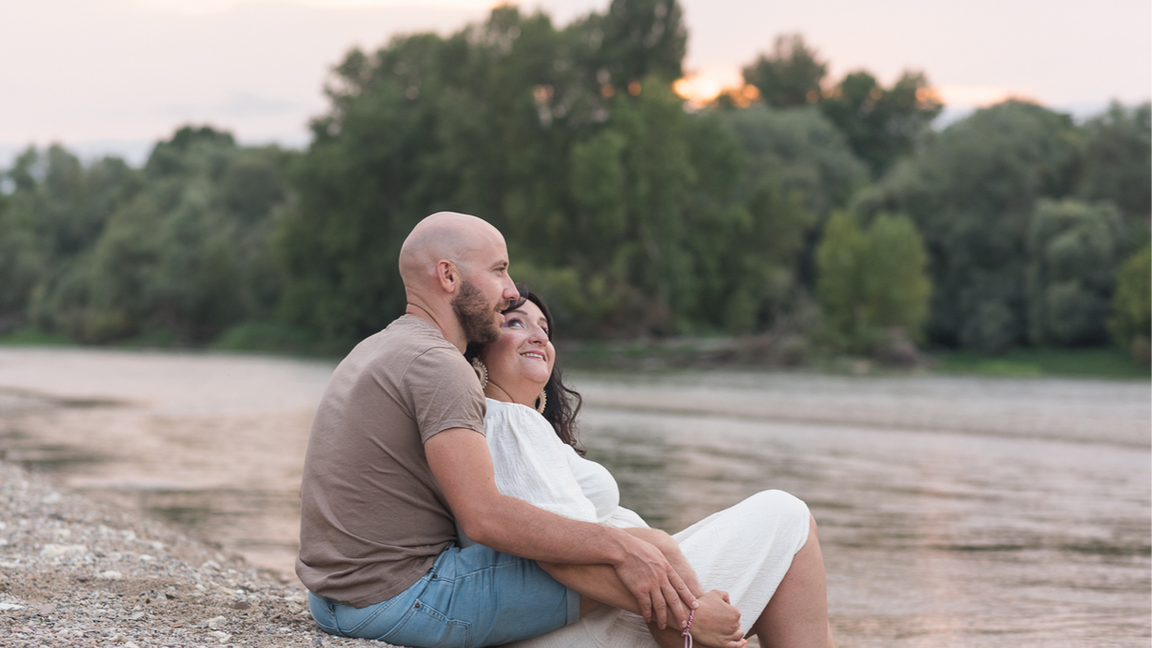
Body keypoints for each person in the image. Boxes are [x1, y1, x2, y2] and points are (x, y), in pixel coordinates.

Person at [297, 212, 698, 646]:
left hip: (331, 597)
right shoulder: (439, 365)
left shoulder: (375, 347)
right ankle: (699, 622)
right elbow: (485, 517)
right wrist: (623, 547)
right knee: (651, 553)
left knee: (638, 553)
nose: (509, 292)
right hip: (399, 601)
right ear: (448, 276)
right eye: (499, 270)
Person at [467, 286, 838, 648]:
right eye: (516, 323)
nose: (538, 337)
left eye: (544, 330)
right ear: (480, 349)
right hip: (599, 623)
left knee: (788, 572)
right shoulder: (508, 421)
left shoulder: (506, 425)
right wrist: (685, 612)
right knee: (787, 517)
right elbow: (562, 548)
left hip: (614, 605)